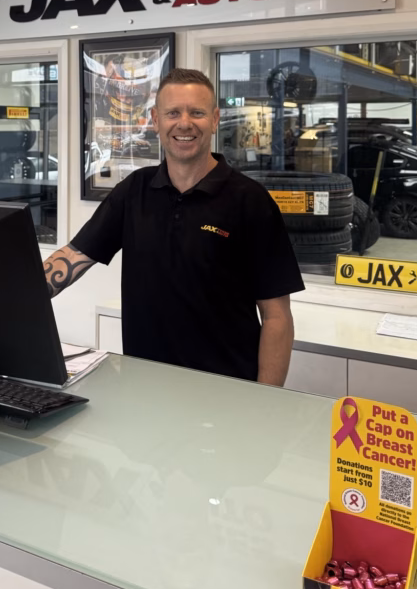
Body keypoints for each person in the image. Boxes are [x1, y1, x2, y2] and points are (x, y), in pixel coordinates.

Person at [44, 68, 303, 385]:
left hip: (229, 391)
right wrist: (13, 299)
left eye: (197, 112)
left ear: (215, 118)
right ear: (155, 120)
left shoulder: (250, 200)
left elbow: (277, 317)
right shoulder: (134, 190)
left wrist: (268, 400)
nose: (184, 123)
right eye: (172, 113)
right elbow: (73, 257)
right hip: (147, 386)